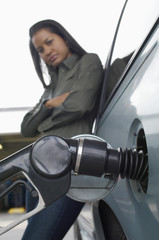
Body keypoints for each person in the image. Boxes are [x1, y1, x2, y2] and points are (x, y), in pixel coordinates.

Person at [21, 19, 103, 240]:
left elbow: (81, 104)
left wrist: (45, 121)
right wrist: (51, 103)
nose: (47, 51)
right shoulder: (50, 88)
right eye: (41, 49)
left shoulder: (88, 62)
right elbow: (26, 128)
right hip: (35, 171)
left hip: (66, 171)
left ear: (64, 38)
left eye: (50, 42)